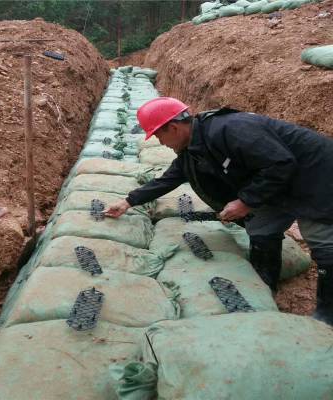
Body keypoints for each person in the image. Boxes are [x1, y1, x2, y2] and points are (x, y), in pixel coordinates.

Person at [105, 97, 333, 325]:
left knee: (323, 242)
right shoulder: (194, 146)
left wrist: (244, 202)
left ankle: (327, 312)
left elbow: (281, 163)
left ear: (173, 128)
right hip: (278, 183)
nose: (160, 142)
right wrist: (128, 201)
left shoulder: (230, 130)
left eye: (158, 135)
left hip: (317, 176)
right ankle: (265, 283)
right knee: (261, 226)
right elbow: (169, 179)